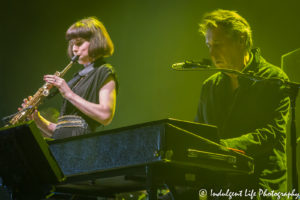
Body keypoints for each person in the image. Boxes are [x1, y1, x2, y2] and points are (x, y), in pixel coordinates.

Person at [194, 9, 290, 199]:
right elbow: (199, 134)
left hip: (261, 187)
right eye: (209, 45)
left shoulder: (274, 79)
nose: (212, 53)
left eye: (218, 45)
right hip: (220, 188)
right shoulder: (210, 86)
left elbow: (272, 132)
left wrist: (223, 146)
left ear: (241, 40)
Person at [23, 17, 118, 139]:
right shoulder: (78, 77)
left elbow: (105, 116)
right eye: (72, 44)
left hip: (82, 146)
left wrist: (69, 94)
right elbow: (63, 130)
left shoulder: (104, 71)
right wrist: (38, 120)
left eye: (78, 43)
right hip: (65, 146)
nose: (74, 49)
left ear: (95, 41)